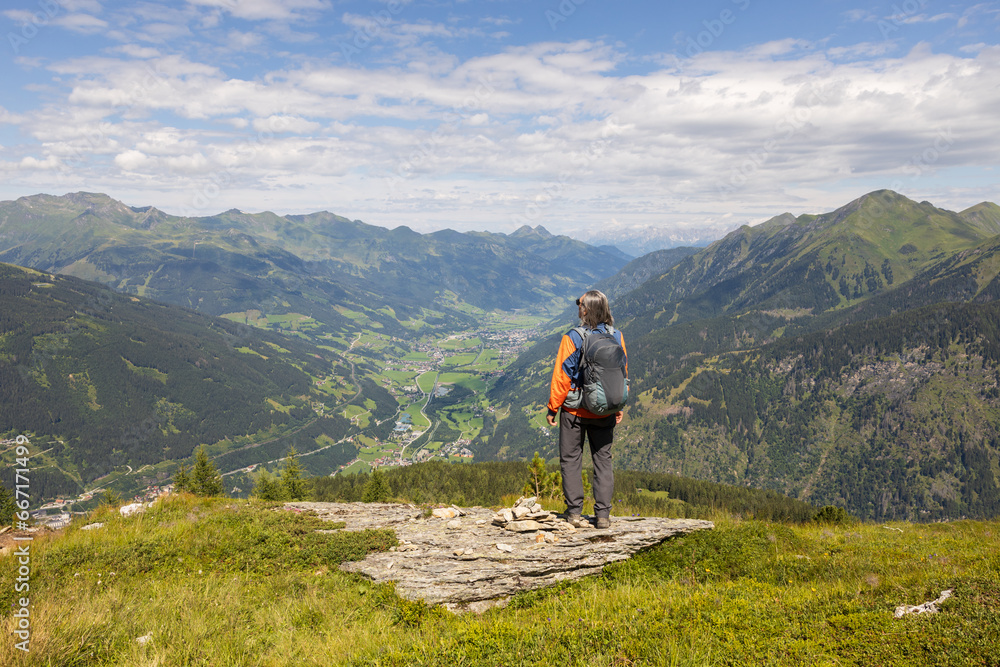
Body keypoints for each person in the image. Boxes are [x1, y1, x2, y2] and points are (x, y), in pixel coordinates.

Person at [546, 289, 626, 530]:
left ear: (586, 309)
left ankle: (574, 514)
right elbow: (621, 373)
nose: (577, 306)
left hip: (575, 412)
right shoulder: (617, 336)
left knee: (571, 460)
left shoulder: (572, 338)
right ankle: (602, 517)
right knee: (603, 460)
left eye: (579, 304)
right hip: (605, 410)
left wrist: (553, 407)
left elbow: (562, 377)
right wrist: (617, 404)